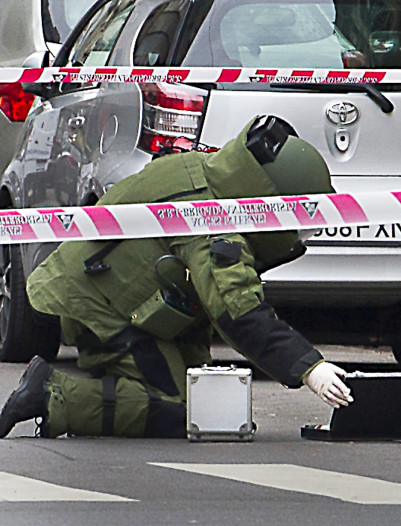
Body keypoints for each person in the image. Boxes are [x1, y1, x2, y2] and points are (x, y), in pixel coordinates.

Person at [0, 116, 353, 439]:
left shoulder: (211, 172)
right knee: (185, 412)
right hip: (98, 304)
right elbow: (239, 312)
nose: (301, 237)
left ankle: (106, 393)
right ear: (271, 203)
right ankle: (53, 395)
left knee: (201, 396)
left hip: (114, 290)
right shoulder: (215, 230)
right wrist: (311, 369)